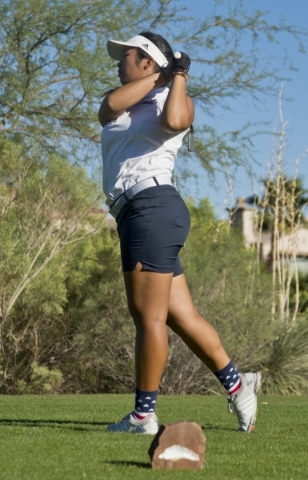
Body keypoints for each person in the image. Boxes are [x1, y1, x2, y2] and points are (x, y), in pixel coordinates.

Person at [98, 31, 261, 434]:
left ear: (148, 61)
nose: (120, 62)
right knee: (181, 316)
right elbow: (106, 108)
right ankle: (240, 386)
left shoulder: (174, 101)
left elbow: (175, 120)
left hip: (151, 207)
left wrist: (180, 76)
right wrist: (163, 76)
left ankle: (143, 416)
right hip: (140, 213)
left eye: (128, 56)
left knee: (147, 316)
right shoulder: (127, 99)